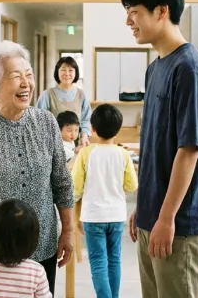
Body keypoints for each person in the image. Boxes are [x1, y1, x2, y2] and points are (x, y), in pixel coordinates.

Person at [122, 0, 198, 298]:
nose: (128, 21)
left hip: (180, 223)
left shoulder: (189, 68)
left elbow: (189, 150)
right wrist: (145, 206)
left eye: (134, 12)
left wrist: (166, 217)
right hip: (156, 214)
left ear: (162, 11)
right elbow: (155, 146)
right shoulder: (156, 68)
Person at [0, 40, 74, 298]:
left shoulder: (46, 122)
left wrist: (68, 231)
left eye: (28, 75)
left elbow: (61, 182)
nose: (26, 83)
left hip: (41, 246)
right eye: (16, 76)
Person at [71, 104, 138, 298]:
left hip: (93, 216)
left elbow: (76, 187)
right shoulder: (123, 153)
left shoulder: (85, 153)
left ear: (92, 128)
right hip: (116, 215)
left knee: (98, 261)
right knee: (114, 260)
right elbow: (132, 185)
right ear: (118, 129)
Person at [36, 56, 92, 148]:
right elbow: (39, 121)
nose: (66, 73)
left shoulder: (81, 94)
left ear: (76, 73)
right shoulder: (47, 94)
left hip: (76, 145)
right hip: (52, 146)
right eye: (63, 70)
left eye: (70, 70)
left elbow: (86, 118)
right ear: (57, 71)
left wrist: (84, 136)